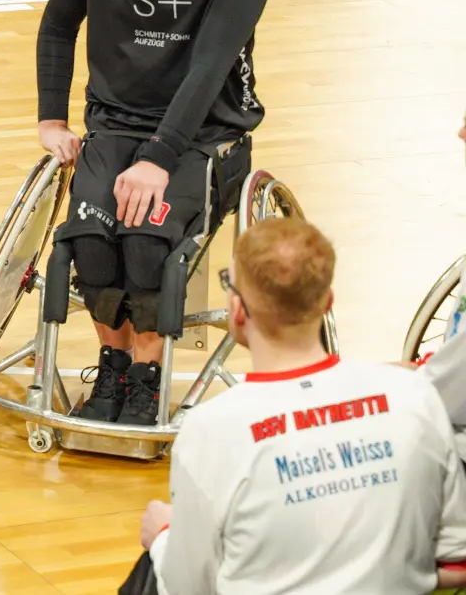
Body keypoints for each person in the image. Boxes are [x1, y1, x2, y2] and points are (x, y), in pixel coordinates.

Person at [36, 0, 276, 425]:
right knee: (91, 239)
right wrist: (50, 118)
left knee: (146, 244)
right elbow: (59, 25)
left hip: (201, 132)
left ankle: (147, 376)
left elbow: (210, 62)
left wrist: (158, 157)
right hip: (114, 125)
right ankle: (113, 368)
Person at [130, 217, 466, 594]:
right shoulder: (414, 396)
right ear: (327, 302)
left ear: (237, 311)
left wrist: (162, 535)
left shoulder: (211, 430)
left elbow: (188, 588)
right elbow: (456, 555)